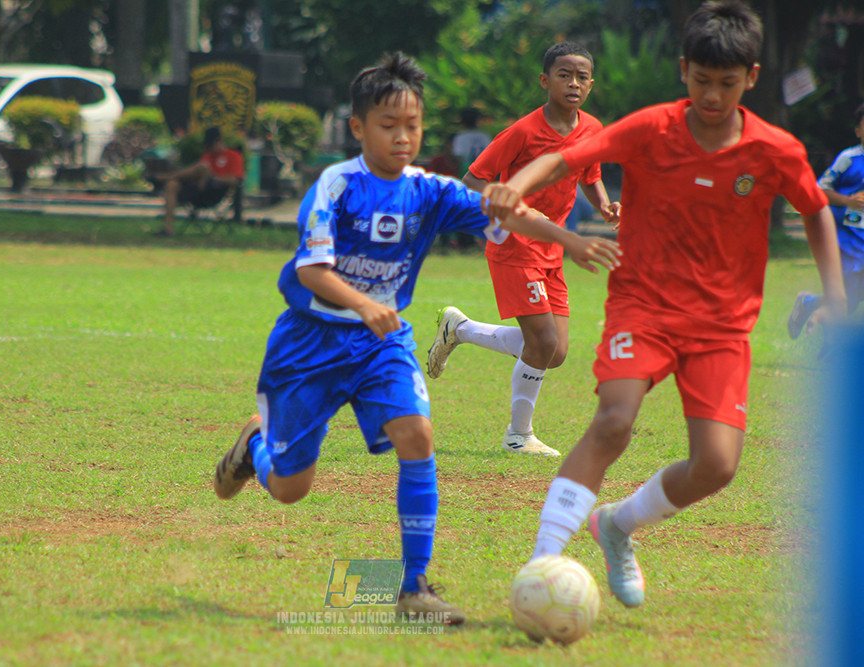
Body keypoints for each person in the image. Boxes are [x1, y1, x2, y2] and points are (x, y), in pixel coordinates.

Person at [211, 52, 620, 625]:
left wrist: (568, 240)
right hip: (311, 343)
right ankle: (256, 443)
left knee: (418, 435)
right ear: (358, 128)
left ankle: (412, 591)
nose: (403, 137)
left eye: (413, 126)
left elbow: (498, 210)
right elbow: (310, 271)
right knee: (290, 488)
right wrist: (362, 303)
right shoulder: (336, 185)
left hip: (382, 344)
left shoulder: (426, 189)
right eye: (388, 126)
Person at [485, 0, 845, 609]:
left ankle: (618, 523)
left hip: (722, 324)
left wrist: (835, 299)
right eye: (701, 80)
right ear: (684, 70)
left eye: (727, 84)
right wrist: (513, 187)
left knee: (718, 465)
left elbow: (814, 212)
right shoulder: (650, 127)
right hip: (643, 305)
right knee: (613, 420)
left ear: (751, 78)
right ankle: (543, 560)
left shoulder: (774, 148)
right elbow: (561, 159)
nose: (712, 95)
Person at [427, 42, 620, 457]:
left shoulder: (593, 129)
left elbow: (590, 172)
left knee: (555, 352)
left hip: (552, 247)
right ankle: (518, 435)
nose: (573, 83)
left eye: (582, 76)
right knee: (543, 340)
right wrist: (520, 208)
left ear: (591, 85)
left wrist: (603, 202)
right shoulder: (523, 132)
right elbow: (474, 180)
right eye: (564, 74)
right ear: (545, 80)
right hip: (514, 242)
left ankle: (459, 329)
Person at [788, 102, 864, 340]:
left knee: (852, 297)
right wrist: (847, 200)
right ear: (858, 130)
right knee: (848, 300)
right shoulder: (848, 159)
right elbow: (820, 189)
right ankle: (809, 303)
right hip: (849, 240)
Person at [152, 126, 244, 236]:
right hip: (196, 190)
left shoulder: (234, 156)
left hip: (214, 191)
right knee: (172, 185)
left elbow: (234, 180)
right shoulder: (207, 156)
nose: (209, 148)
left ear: (219, 141)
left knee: (202, 167)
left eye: (210, 145)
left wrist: (213, 176)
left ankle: (166, 176)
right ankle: (168, 228)